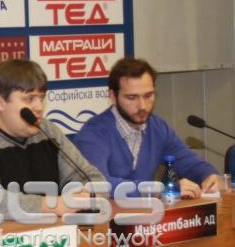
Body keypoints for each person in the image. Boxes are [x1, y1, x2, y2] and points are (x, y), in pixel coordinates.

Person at [0, 59, 105, 220]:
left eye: (41, 98)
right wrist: (52, 205)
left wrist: (82, 196)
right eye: (29, 99)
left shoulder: (47, 131)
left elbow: (92, 178)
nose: (39, 107)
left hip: (53, 231)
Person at [73, 57, 219, 198]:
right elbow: (97, 185)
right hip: (108, 214)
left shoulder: (158, 128)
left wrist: (209, 175)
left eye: (148, 96)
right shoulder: (93, 134)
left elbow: (189, 163)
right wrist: (159, 189)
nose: (142, 106)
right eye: (132, 98)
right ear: (113, 96)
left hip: (149, 213)